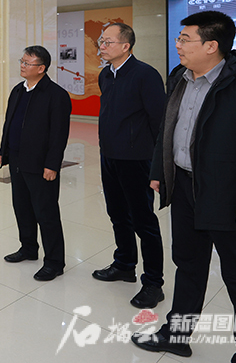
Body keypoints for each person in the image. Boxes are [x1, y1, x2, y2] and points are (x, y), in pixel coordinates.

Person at [132, 11, 236, 362]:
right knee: (188, 264)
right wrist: (160, 171)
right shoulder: (180, 78)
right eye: (179, 38)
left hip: (229, 196)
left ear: (212, 46)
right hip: (185, 188)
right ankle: (177, 335)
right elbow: (168, 130)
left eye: (185, 39)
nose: (178, 44)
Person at [94, 23, 166, 308]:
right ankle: (124, 264)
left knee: (143, 221)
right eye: (101, 41)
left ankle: (153, 283)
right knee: (117, 214)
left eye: (108, 42)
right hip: (109, 156)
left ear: (126, 46)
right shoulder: (105, 75)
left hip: (137, 159)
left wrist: (159, 163)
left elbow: (159, 121)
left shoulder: (145, 74)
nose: (102, 46)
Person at [0, 46, 71, 282]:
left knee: (46, 212)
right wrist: (3, 150)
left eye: (27, 63)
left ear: (41, 68)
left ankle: (54, 262)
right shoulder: (18, 90)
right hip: (17, 159)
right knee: (22, 207)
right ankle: (28, 248)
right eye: (22, 61)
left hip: (41, 164)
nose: (22, 65)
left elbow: (59, 134)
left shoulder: (56, 95)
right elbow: (9, 123)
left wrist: (52, 165)